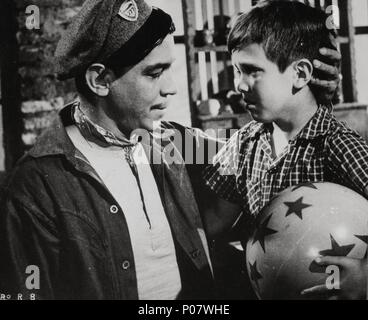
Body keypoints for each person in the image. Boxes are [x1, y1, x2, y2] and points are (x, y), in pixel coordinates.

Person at [0, 0, 341, 300]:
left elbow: (259, 152)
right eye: (154, 73)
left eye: (170, 69)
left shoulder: (172, 141)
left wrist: (301, 91)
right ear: (100, 80)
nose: (172, 88)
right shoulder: (36, 187)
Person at [203, 1, 368, 299]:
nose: (239, 84)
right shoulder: (243, 143)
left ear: (300, 74)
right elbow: (212, 222)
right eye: (237, 70)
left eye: (252, 70)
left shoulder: (338, 145)